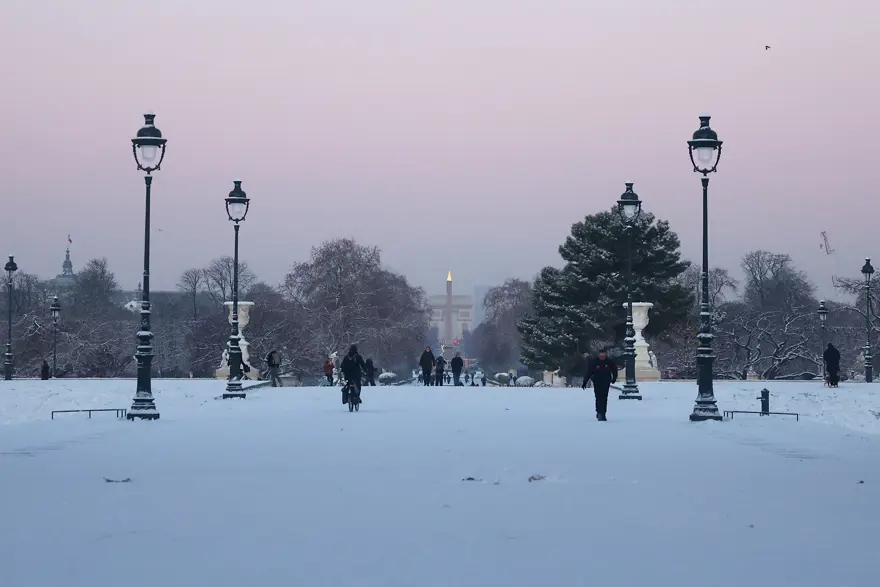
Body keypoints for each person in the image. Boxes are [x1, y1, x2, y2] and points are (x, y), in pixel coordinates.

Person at [582, 349, 618, 421]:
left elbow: (614, 370)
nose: (602, 357)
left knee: (604, 398)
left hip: (606, 382)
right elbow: (589, 372)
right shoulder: (595, 362)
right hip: (597, 382)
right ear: (599, 355)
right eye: (601, 356)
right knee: (598, 397)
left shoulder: (609, 361)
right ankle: (598, 411)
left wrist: (614, 378)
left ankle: (603, 413)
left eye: (603, 355)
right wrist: (584, 382)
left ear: (605, 355)